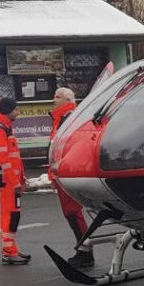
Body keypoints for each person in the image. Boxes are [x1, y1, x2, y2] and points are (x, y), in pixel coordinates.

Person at [50, 87, 94, 269]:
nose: (53, 99)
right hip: (61, 171)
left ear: (67, 100)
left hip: (67, 171)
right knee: (70, 213)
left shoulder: (69, 118)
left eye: (57, 96)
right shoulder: (62, 118)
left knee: (73, 212)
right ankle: (83, 249)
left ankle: (85, 252)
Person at [0, 95, 29, 265]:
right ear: (9, 111)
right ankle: (9, 252)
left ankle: (11, 249)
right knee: (10, 215)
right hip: (6, 181)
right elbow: (4, 161)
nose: (18, 112)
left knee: (13, 215)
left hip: (8, 180)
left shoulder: (3, 127)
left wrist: (21, 178)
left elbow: (13, 159)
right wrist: (15, 182)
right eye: (16, 109)